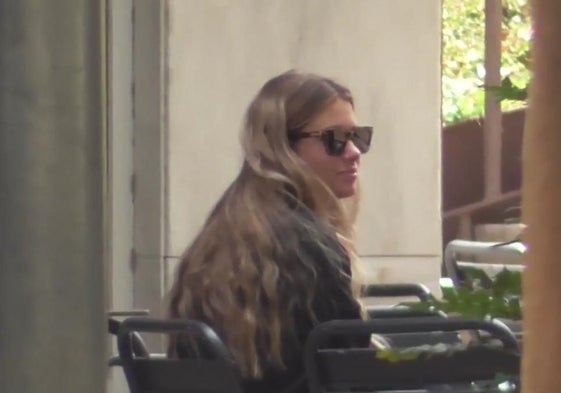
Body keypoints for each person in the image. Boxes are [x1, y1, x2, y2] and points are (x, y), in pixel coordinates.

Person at [167, 69, 374, 393]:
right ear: (283, 147)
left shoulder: (215, 238)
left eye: (358, 137)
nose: (354, 153)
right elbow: (355, 372)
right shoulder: (310, 248)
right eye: (334, 139)